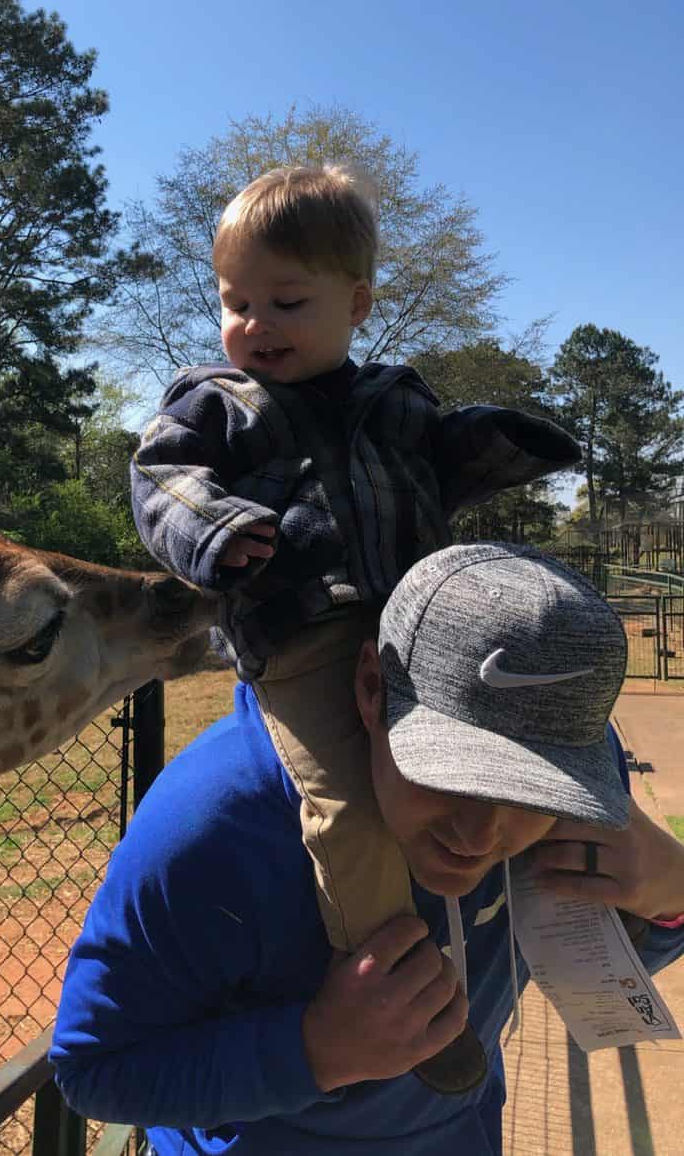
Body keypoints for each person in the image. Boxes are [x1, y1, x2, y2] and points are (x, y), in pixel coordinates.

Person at [127, 163, 581, 1090]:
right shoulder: (212, 401)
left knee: (530, 742)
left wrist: (503, 444)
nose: (254, 324)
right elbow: (157, 481)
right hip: (304, 634)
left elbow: (441, 465)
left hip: (422, 621)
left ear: (358, 303)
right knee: (352, 812)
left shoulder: (397, 398)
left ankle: (594, 896)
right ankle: (405, 995)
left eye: (285, 301)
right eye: (235, 301)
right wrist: (211, 527)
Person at [50, 544, 684, 1155]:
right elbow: (94, 1071)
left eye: (530, 792)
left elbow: (603, 957)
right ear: (372, 687)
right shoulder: (214, 821)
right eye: (451, 773)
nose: (481, 834)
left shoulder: (578, 777)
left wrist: (672, 892)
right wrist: (312, 1053)